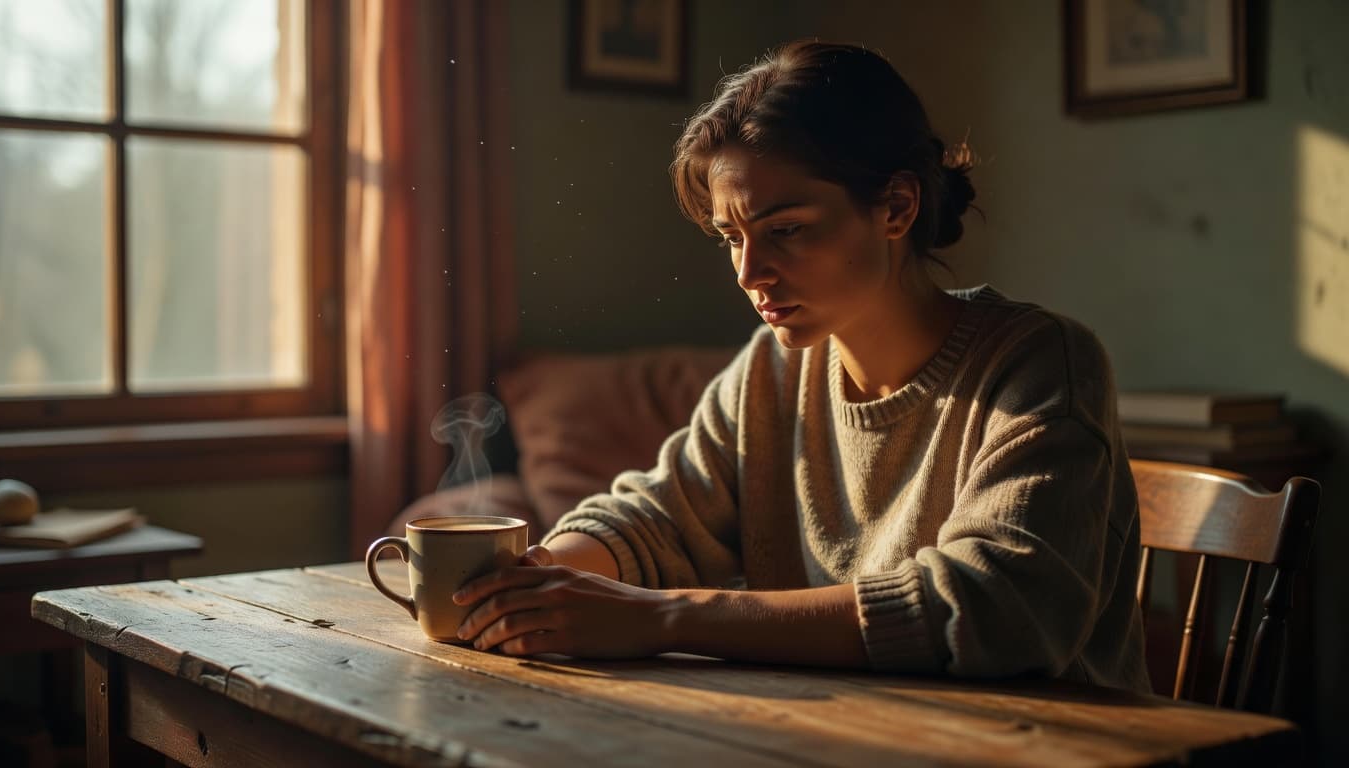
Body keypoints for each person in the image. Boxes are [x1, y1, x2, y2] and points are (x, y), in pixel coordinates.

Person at [452, 40, 1150, 691]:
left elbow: (997, 609)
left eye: (785, 230)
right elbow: (657, 517)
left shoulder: (1040, 365)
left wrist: (659, 616)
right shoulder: (772, 371)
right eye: (732, 237)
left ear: (897, 207)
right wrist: (535, 580)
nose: (750, 272)